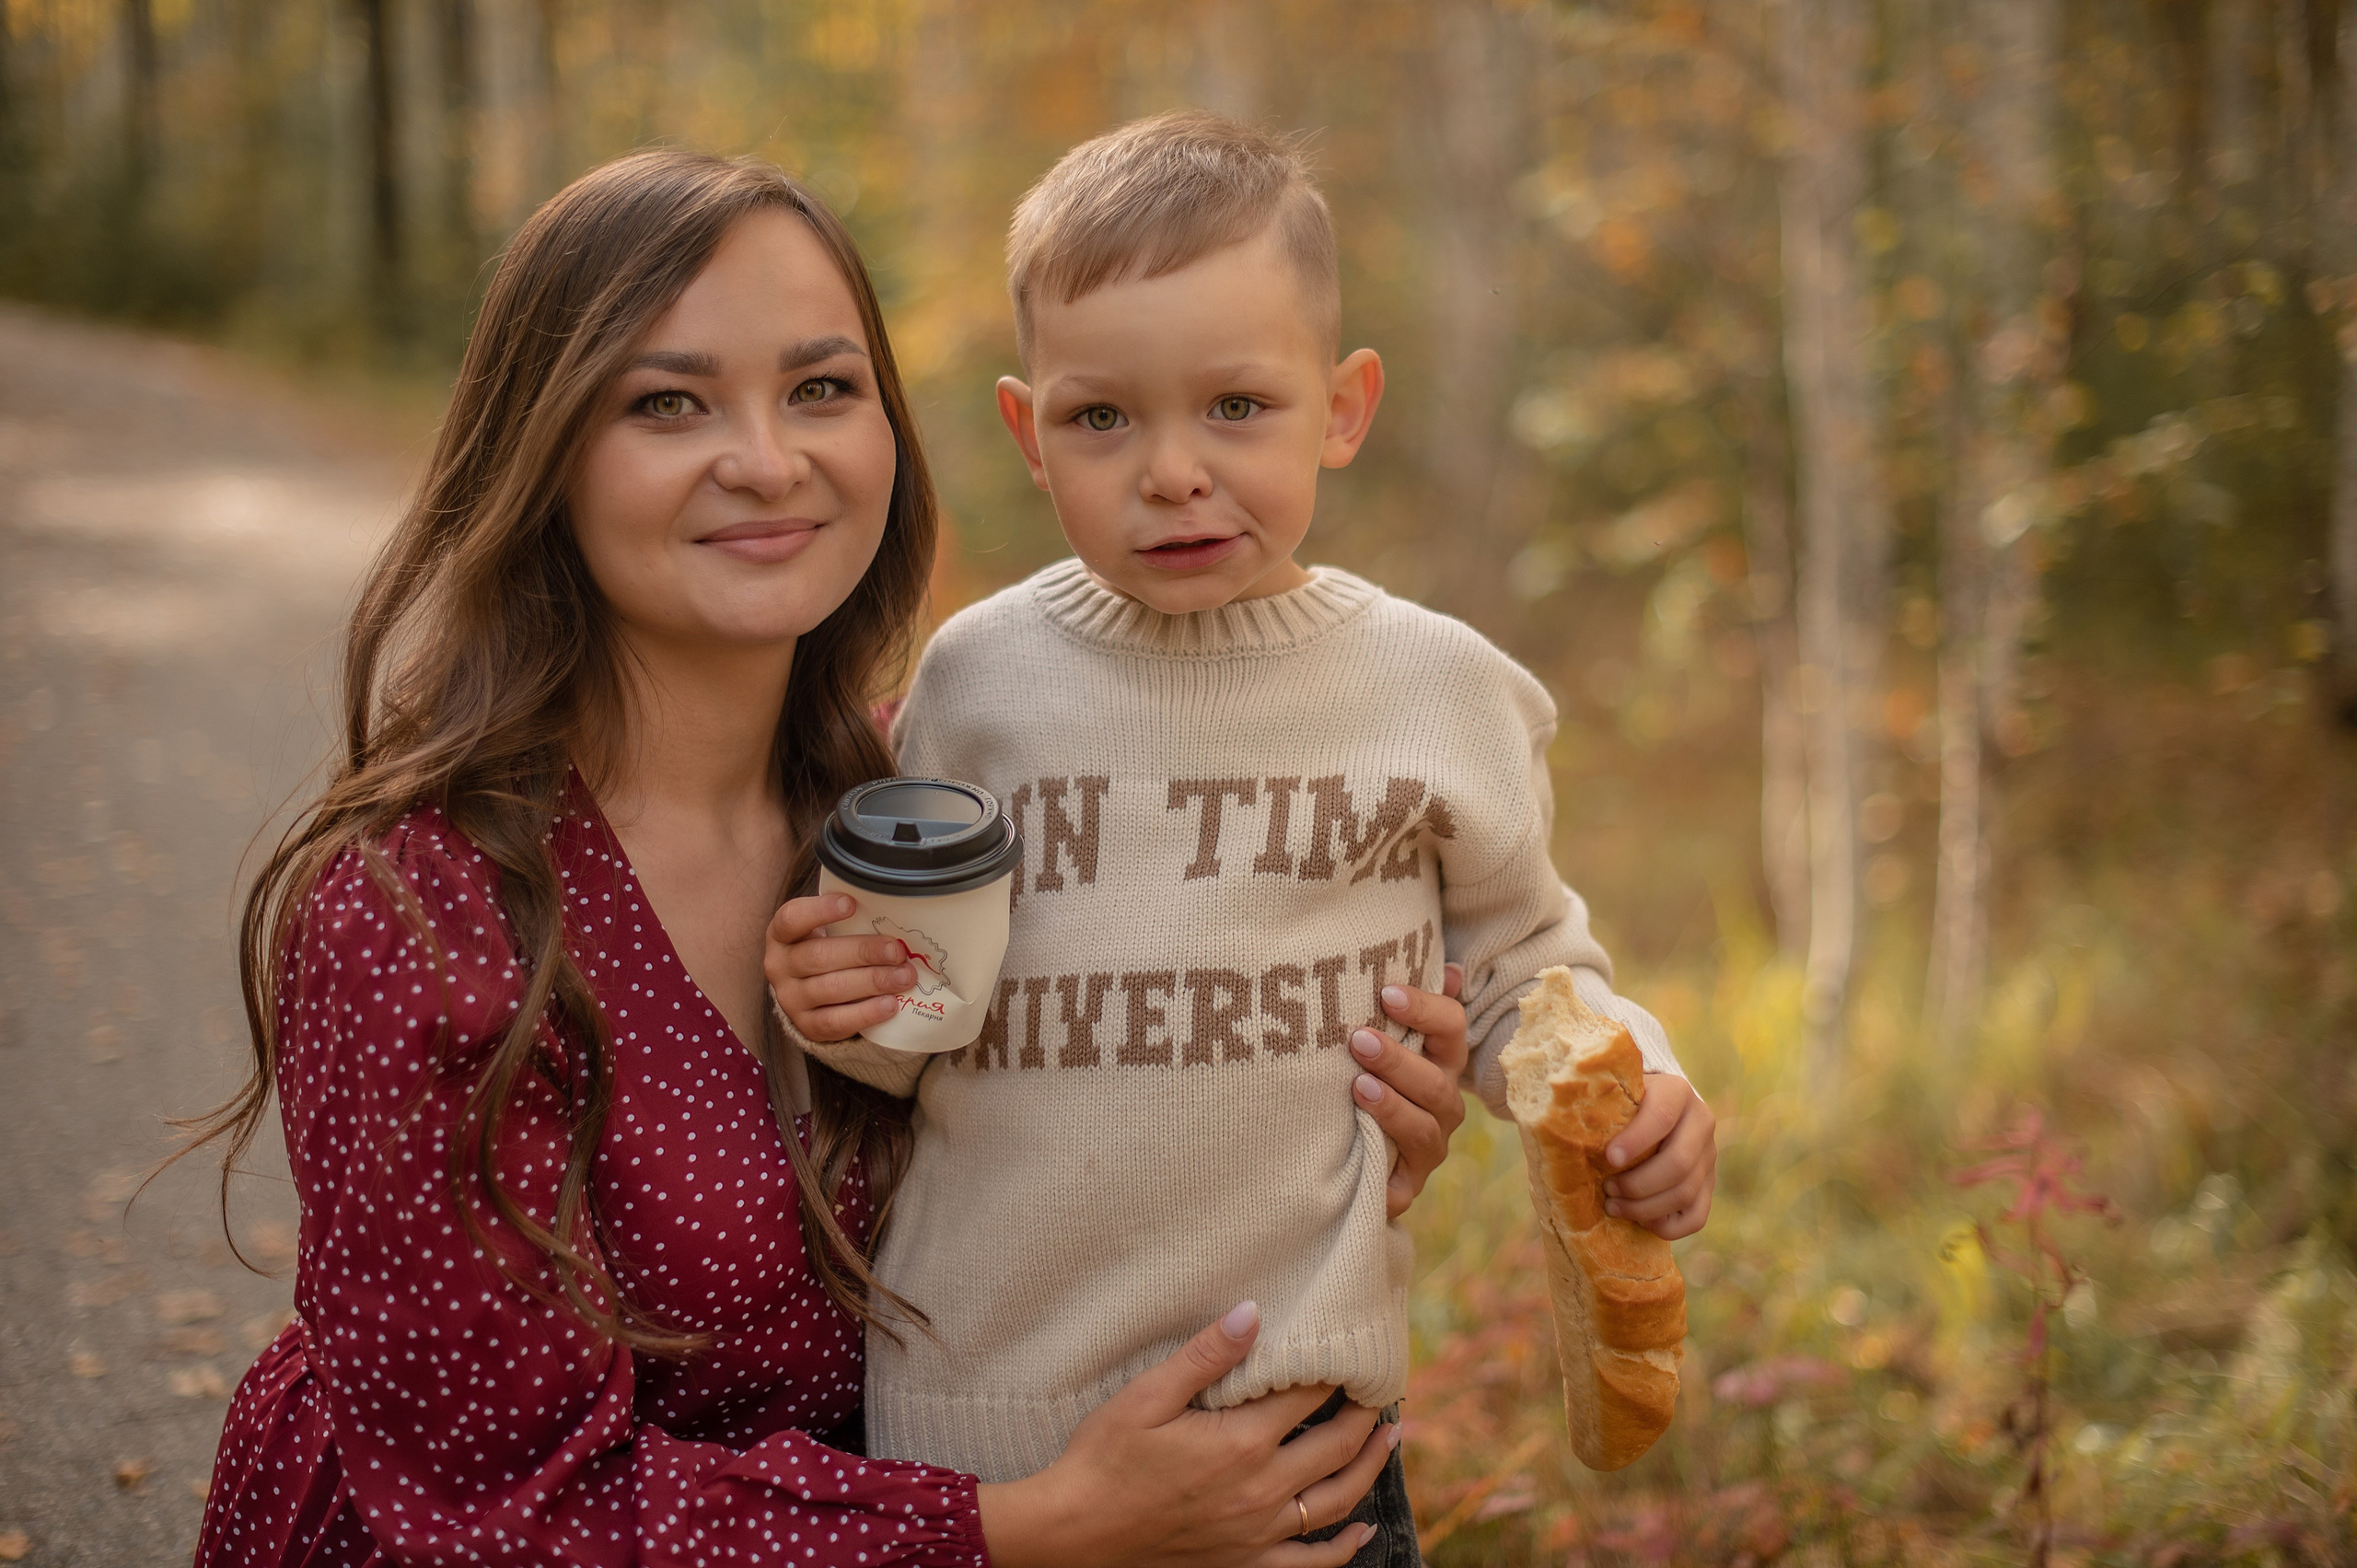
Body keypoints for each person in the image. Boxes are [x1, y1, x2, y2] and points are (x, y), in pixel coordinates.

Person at [185, 146, 1480, 1568]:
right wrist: (1033, 1527)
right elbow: (503, 1514)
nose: (768, 459)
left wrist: (1330, 1119)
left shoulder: (926, 796)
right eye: (669, 403)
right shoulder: (422, 913)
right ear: (542, 449)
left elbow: (1108, 1104)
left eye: (821, 389)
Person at [768, 112, 1721, 1567]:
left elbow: (1532, 973)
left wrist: (1640, 1079)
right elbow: (916, 1019)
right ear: (1030, 432)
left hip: (1296, 1460)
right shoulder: (976, 681)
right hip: (980, 1436)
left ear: (1342, 407)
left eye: (1236, 408)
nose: (1170, 471)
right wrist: (844, 1013)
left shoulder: (1434, 690)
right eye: (1104, 419)